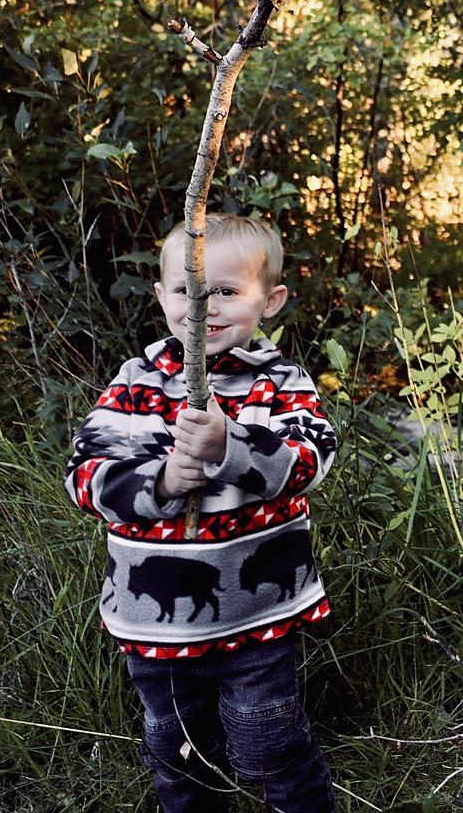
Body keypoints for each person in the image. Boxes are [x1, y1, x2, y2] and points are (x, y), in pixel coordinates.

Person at [65, 213, 338, 812]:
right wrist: (160, 481)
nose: (203, 306)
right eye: (187, 289)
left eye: (226, 291)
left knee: (269, 747)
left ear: (271, 301)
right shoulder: (134, 385)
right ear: (162, 295)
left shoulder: (280, 382)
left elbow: (310, 459)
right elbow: (84, 477)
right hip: (153, 629)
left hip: (258, 618)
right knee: (177, 753)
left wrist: (228, 445)